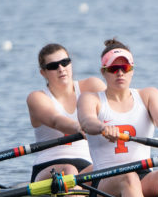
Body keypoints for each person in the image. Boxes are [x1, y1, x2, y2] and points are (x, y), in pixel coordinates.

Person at [78, 39, 158, 197]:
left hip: (143, 175)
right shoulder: (91, 99)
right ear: (103, 72)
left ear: (132, 70)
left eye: (125, 68)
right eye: (113, 69)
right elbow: (87, 122)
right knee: (129, 178)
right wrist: (102, 128)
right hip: (105, 178)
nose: (120, 73)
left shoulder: (148, 95)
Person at [26, 43, 105, 183]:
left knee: (110, 167)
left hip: (87, 166)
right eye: (53, 66)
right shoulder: (37, 98)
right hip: (49, 167)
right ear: (43, 73)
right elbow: (55, 120)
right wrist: (79, 127)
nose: (61, 69)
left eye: (65, 62)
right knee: (69, 170)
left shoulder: (92, 86)